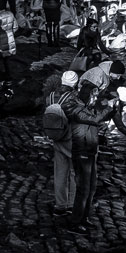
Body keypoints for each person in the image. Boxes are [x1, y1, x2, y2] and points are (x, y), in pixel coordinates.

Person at [62, 80, 118, 234]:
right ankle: (75, 222)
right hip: (81, 151)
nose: (95, 99)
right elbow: (95, 119)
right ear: (87, 95)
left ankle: (84, 218)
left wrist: (113, 109)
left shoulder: (86, 108)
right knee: (83, 188)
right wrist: (108, 107)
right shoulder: (74, 108)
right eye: (93, 96)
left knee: (91, 188)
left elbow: (100, 118)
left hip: (91, 150)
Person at [45, 71, 79, 215]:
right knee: (74, 172)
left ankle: (60, 205)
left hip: (56, 137)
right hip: (71, 137)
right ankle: (72, 203)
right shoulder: (74, 98)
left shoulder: (51, 96)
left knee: (59, 172)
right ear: (75, 83)